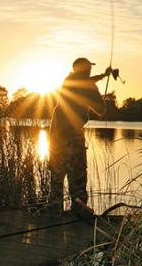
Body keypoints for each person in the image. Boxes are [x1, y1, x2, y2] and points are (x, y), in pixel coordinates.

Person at [48, 57, 111, 216]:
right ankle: (79, 210)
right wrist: (102, 81)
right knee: (77, 173)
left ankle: (55, 208)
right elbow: (101, 109)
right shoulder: (86, 85)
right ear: (83, 70)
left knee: (57, 172)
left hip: (56, 135)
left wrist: (103, 76)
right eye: (88, 67)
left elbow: (85, 82)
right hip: (72, 135)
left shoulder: (68, 82)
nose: (90, 69)